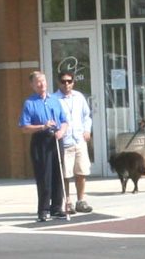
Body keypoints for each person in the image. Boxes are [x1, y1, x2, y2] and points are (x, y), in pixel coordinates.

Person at [19, 70, 70, 223]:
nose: (42, 85)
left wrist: (62, 131)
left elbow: (64, 120)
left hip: (56, 138)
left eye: (43, 81)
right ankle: (43, 209)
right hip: (40, 140)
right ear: (33, 85)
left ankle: (56, 207)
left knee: (58, 174)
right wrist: (42, 126)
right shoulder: (30, 103)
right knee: (44, 175)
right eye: (38, 82)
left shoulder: (55, 100)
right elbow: (24, 127)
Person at [55, 71, 97, 215]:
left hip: (79, 140)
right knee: (65, 174)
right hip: (65, 141)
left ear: (73, 82)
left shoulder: (79, 97)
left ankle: (81, 201)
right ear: (58, 82)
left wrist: (87, 130)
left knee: (81, 172)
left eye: (69, 81)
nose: (66, 84)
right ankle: (68, 202)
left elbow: (87, 116)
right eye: (63, 81)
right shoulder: (55, 99)